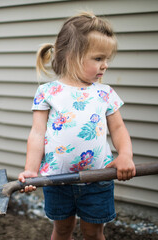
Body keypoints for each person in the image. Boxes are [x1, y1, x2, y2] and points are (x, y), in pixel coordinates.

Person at [18, 11, 136, 240]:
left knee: (93, 233)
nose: (105, 65)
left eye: (107, 59)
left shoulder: (105, 93)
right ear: (73, 55)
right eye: (99, 58)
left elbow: (119, 129)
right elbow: (37, 132)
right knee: (62, 230)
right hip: (56, 180)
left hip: (97, 179)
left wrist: (125, 155)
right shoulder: (48, 92)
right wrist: (31, 169)